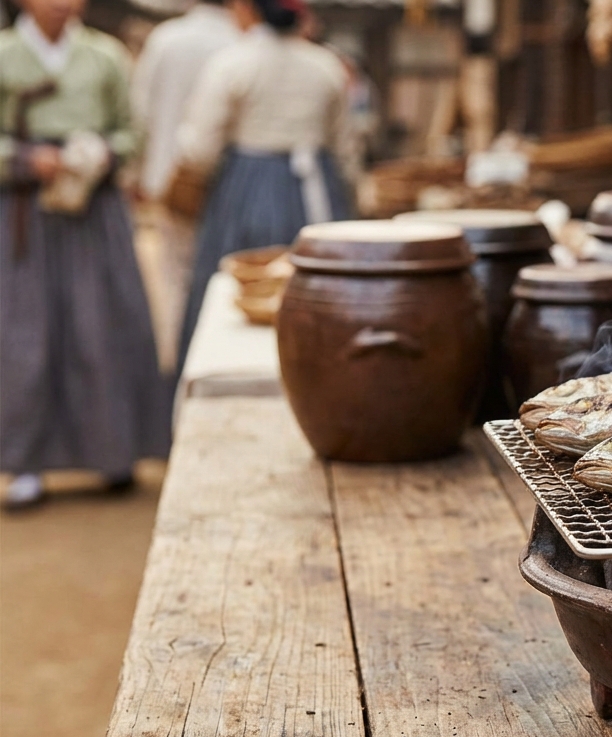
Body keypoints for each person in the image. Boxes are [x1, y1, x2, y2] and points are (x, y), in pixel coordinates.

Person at [0, 0, 171, 509]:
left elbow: (131, 130)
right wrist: (27, 159)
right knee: (24, 338)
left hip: (94, 212)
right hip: (22, 217)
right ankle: (24, 463)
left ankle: (112, 453)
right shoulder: (5, 54)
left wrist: (101, 153)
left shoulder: (105, 56)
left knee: (103, 330)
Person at [173, 0, 352, 374]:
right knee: (317, 294)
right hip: (315, 192)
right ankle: (321, 376)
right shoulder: (326, 66)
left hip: (245, 192)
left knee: (240, 291)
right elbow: (345, 148)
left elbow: (200, 147)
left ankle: (228, 376)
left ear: (252, 9)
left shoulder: (233, 63)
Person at [130, 0, 241, 368]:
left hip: (169, 178)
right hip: (225, 182)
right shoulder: (239, 38)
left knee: (175, 276)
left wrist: (138, 172)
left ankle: (177, 366)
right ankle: (213, 361)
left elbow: (141, 111)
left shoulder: (166, 39)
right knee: (220, 275)